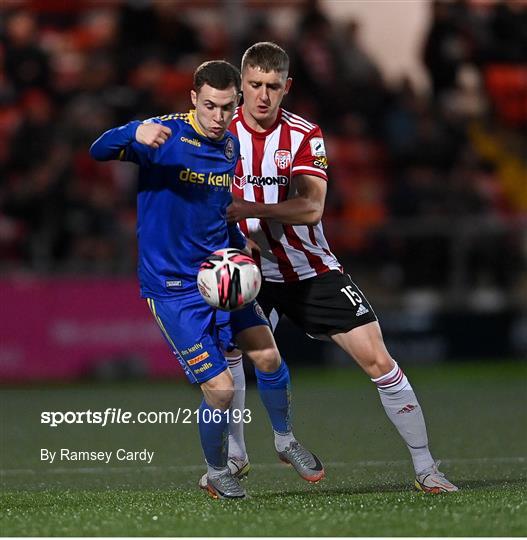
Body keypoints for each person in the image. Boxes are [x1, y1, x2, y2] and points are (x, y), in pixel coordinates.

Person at [223, 42, 458, 494]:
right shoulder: (221, 132)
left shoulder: (304, 135)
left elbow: (312, 208)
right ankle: (235, 458)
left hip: (313, 271)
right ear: (240, 86)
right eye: (254, 85)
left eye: (273, 86)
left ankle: (426, 468)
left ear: (286, 87)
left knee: (379, 361)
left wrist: (248, 207)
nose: (263, 96)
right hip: (253, 273)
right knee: (230, 354)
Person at [89, 60, 322, 500]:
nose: (218, 117)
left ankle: (286, 441)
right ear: (193, 98)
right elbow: (97, 149)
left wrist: (240, 245)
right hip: (173, 289)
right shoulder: (162, 135)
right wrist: (132, 132)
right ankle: (218, 470)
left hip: (223, 276)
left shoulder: (229, 146)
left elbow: (218, 208)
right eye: (210, 106)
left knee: (269, 358)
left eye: (227, 108)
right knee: (220, 389)